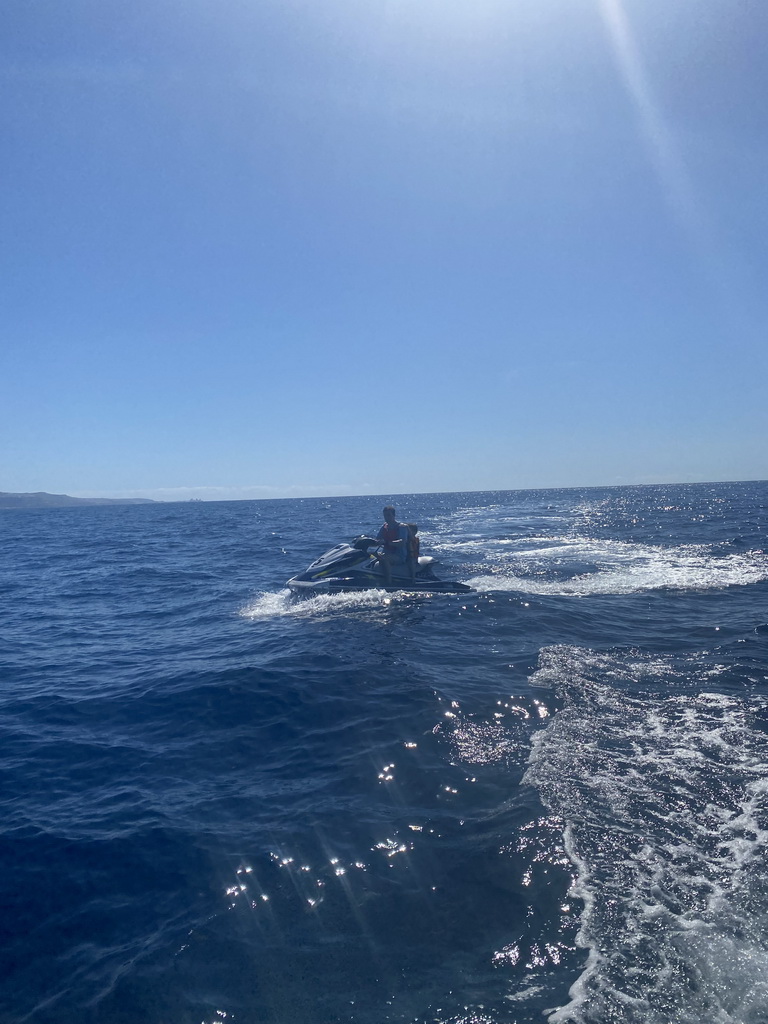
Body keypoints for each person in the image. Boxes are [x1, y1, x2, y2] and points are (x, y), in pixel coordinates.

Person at [375, 505, 410, 585]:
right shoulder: (384, 527)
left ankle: (388, 582)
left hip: (399, 555)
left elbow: (402, 542)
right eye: (385, 516)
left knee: (385, 559)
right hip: (386, 553)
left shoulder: (401, 527)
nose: (386, 518)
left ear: (393, 515)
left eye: (388, 515)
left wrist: (387, 542)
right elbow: (377, 539)